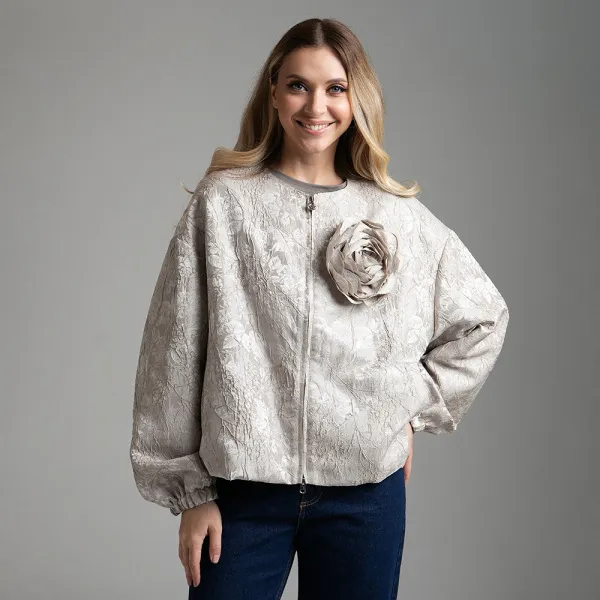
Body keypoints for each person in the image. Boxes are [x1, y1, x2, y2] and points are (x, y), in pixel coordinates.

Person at [129, 17, 510, 600]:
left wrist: (406, 408)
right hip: (242, 493)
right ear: (273, 94)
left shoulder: (395, 215)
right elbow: (174, 348)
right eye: (297, 86)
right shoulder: (224, 203)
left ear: (357, 100)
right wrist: (191, 493)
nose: (316, 106)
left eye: (335, 88)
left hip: (365, 497)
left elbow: (483, 317)